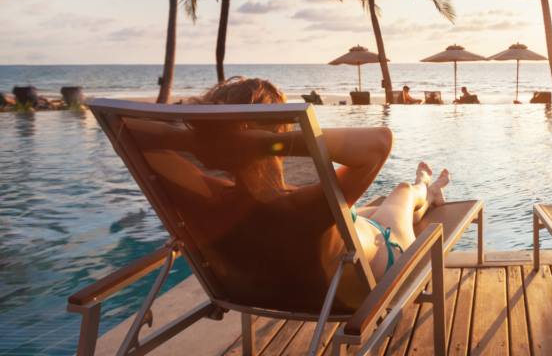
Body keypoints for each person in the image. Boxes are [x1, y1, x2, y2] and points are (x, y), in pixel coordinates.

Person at [131, 77, 448, 285]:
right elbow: (380, 141)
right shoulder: (302, 207)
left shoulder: (209, 195)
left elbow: (129, 132)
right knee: (403, 192)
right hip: (388, 253)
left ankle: (429, 194)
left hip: (344, 235)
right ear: (277, 134)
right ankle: (426, 186)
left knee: (368, 209)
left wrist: (201, 140)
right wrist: (263, 143)